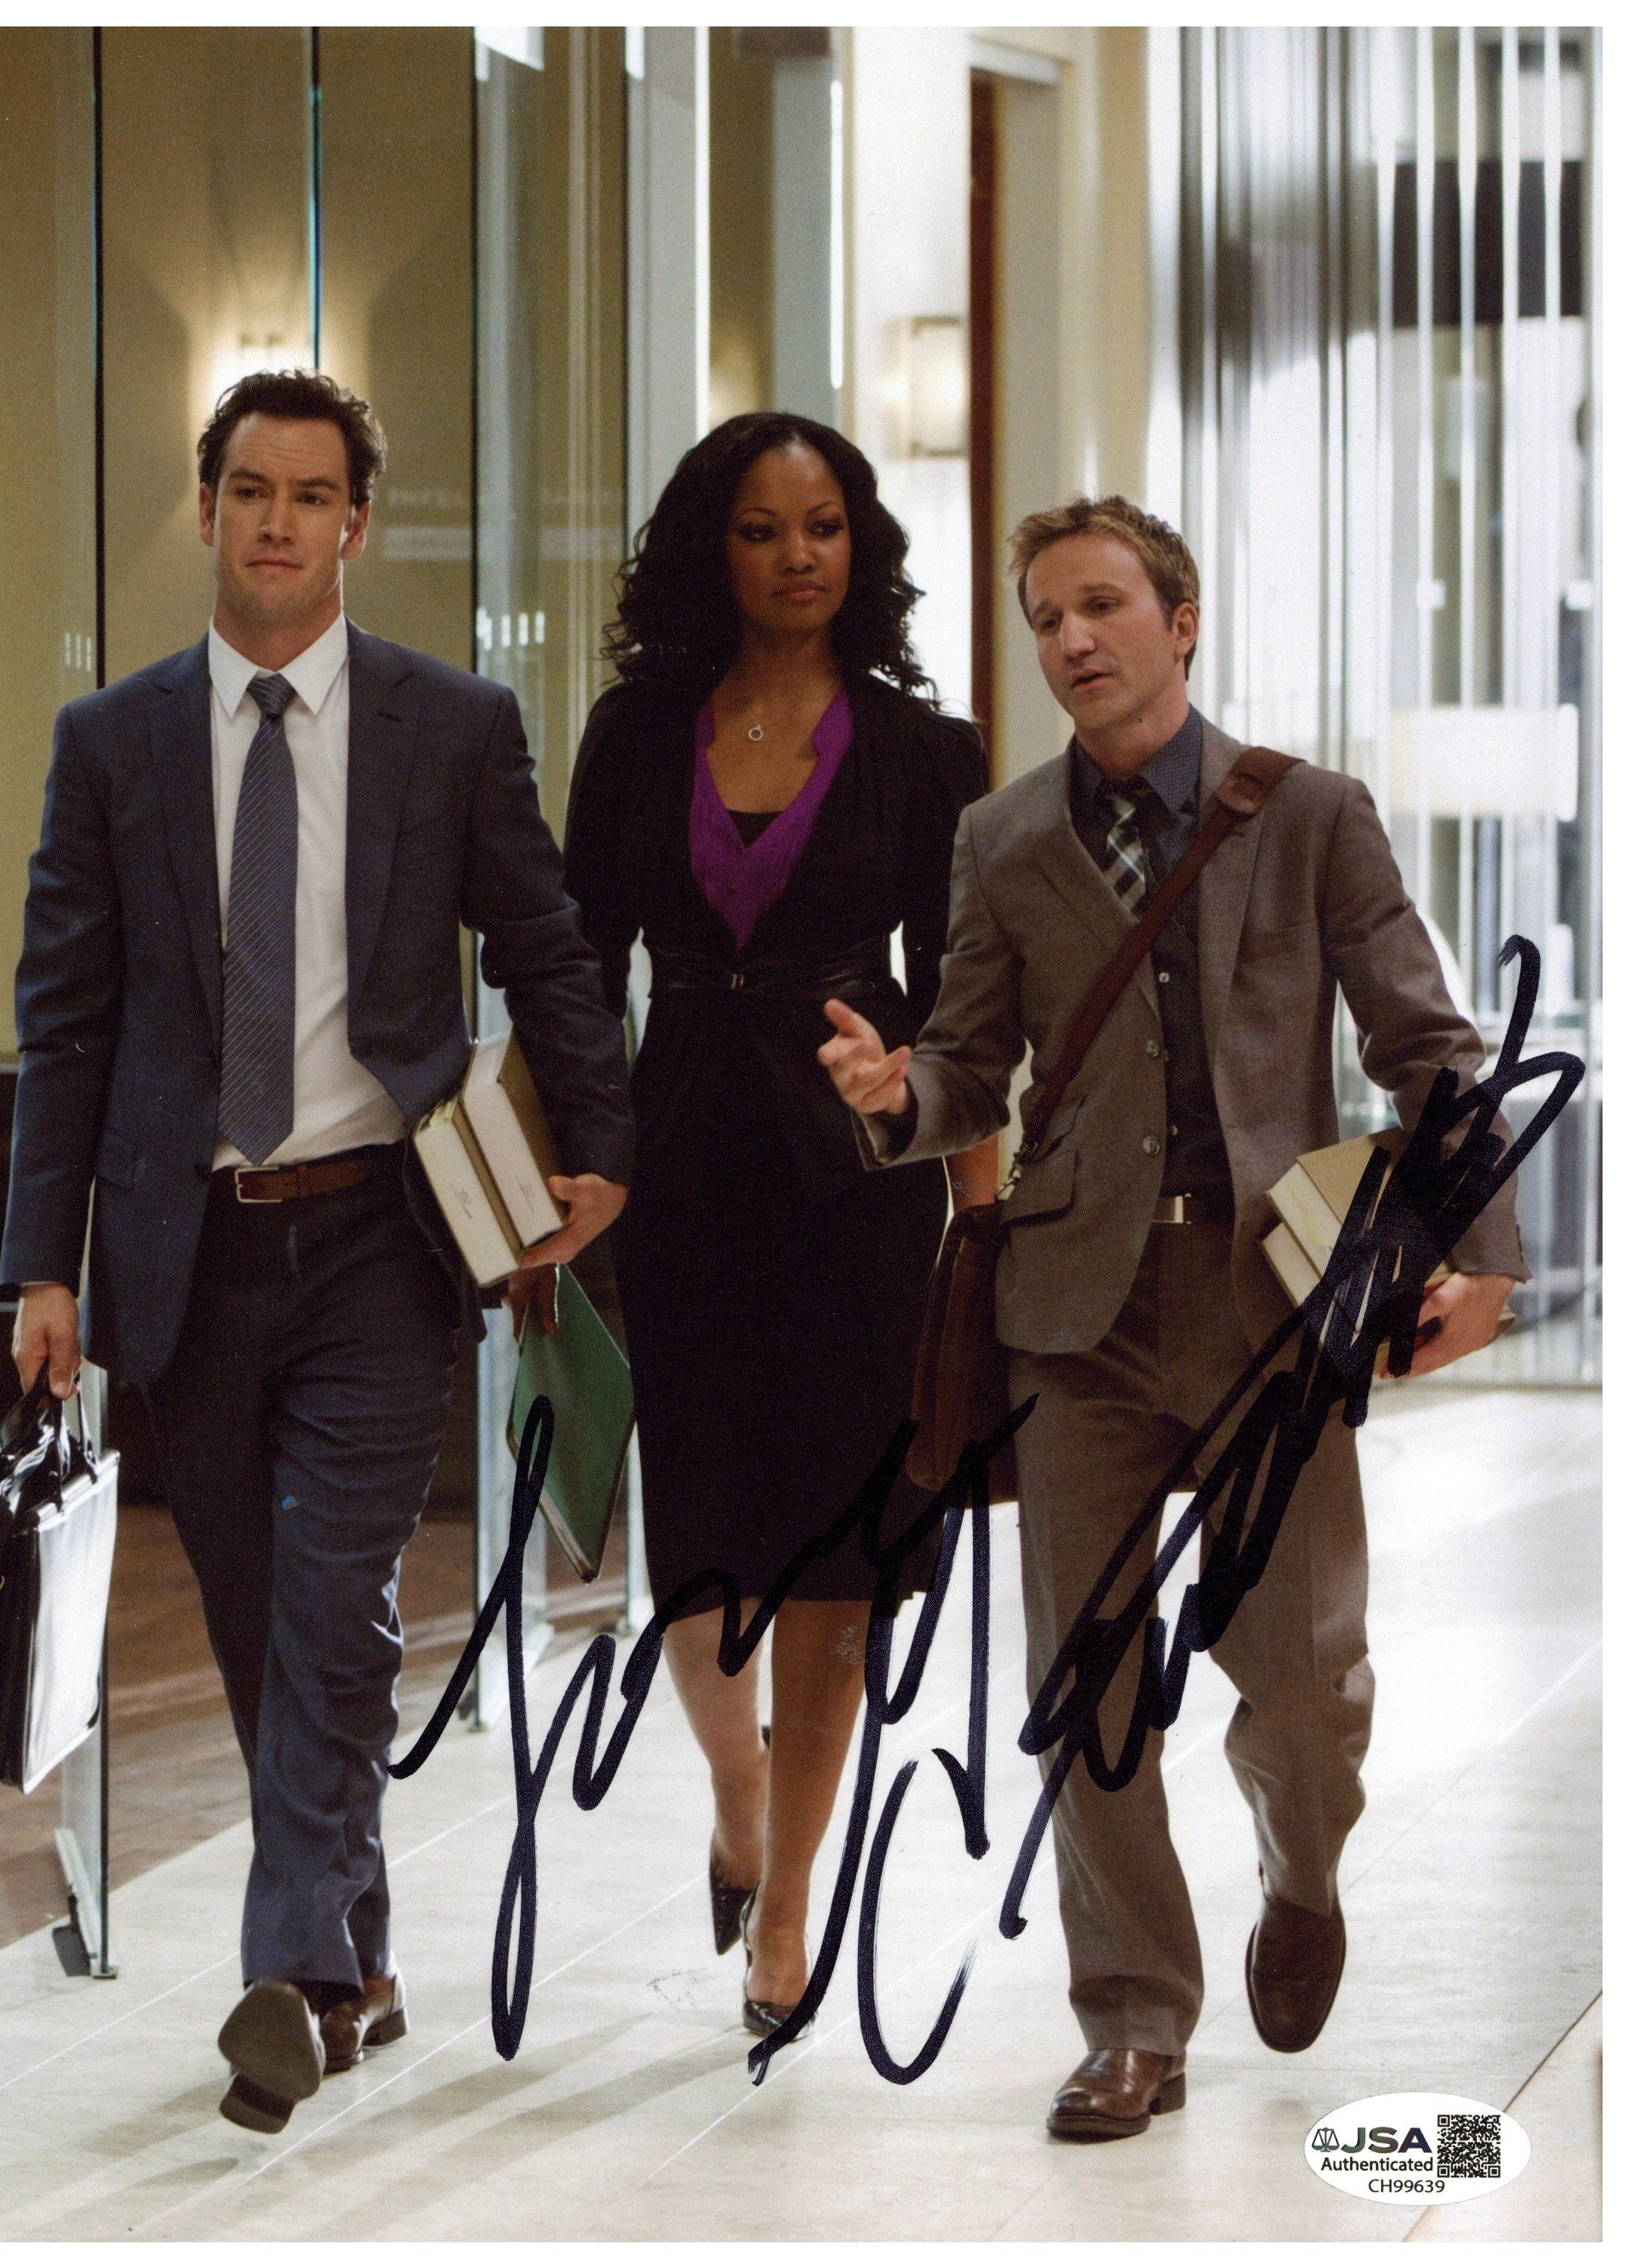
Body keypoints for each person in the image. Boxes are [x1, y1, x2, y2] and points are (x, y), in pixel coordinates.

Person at [820, 494, 1523, 2138]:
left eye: (1103, 606)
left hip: (1271, 1306)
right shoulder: (1002, 839)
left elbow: (1427, 1045)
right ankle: (1134, 2016)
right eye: (1045, 618)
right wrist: (895, 1097)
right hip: (1075, 1313)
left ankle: (1302, 1867)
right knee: (1087, 1678)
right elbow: (968, 1064)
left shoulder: (1312, 815)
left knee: (1309, 1683)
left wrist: (1480, 1250)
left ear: (1180, 620)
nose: (1072, 639)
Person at [0, 370, 631, 2133]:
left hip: (377, 1234)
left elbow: (546, 948)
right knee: (253, 1612)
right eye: (250, 490)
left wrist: (601, 1154)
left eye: (311, 495)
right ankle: (355, 1950)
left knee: (335, 1600)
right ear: (208, 508)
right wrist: (44, 1265)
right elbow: (65, 1017)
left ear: (357, 524)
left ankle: (283, 1973)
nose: (277, 522)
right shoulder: (112, 743)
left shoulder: (453, 724)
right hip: (186, 1249)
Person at [553, 411, 996, 2036]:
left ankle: (792, 1897)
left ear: (860, 547)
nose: (797, 556)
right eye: (761, 528)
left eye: (823, 526)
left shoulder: (927, 752)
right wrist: (560, 1167)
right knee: (694, 1559)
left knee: (835, 1560)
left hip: (855, 1191)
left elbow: (970, 1000)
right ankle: (738, 1795)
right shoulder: (635, 731)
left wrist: (971, 1195)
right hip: (672, 1180)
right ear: (712, 549)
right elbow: (574, 966)